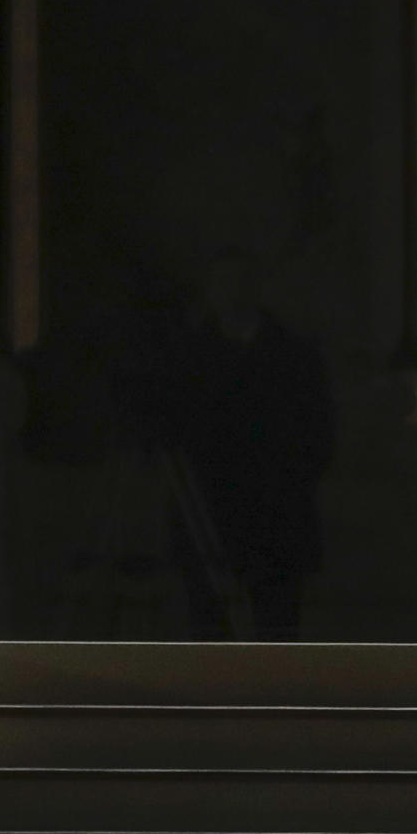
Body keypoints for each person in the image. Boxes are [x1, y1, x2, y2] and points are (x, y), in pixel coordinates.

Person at [131, 250, 336, 641]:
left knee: (275, 630)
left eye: (240, 282)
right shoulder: (187, 358)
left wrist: (285, 477)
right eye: (222, 283)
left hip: (275, 516)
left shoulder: (294, 356)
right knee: (210, 630)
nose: (231, 293)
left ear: (256, 288)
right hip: (208, 510)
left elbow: (318, 435)